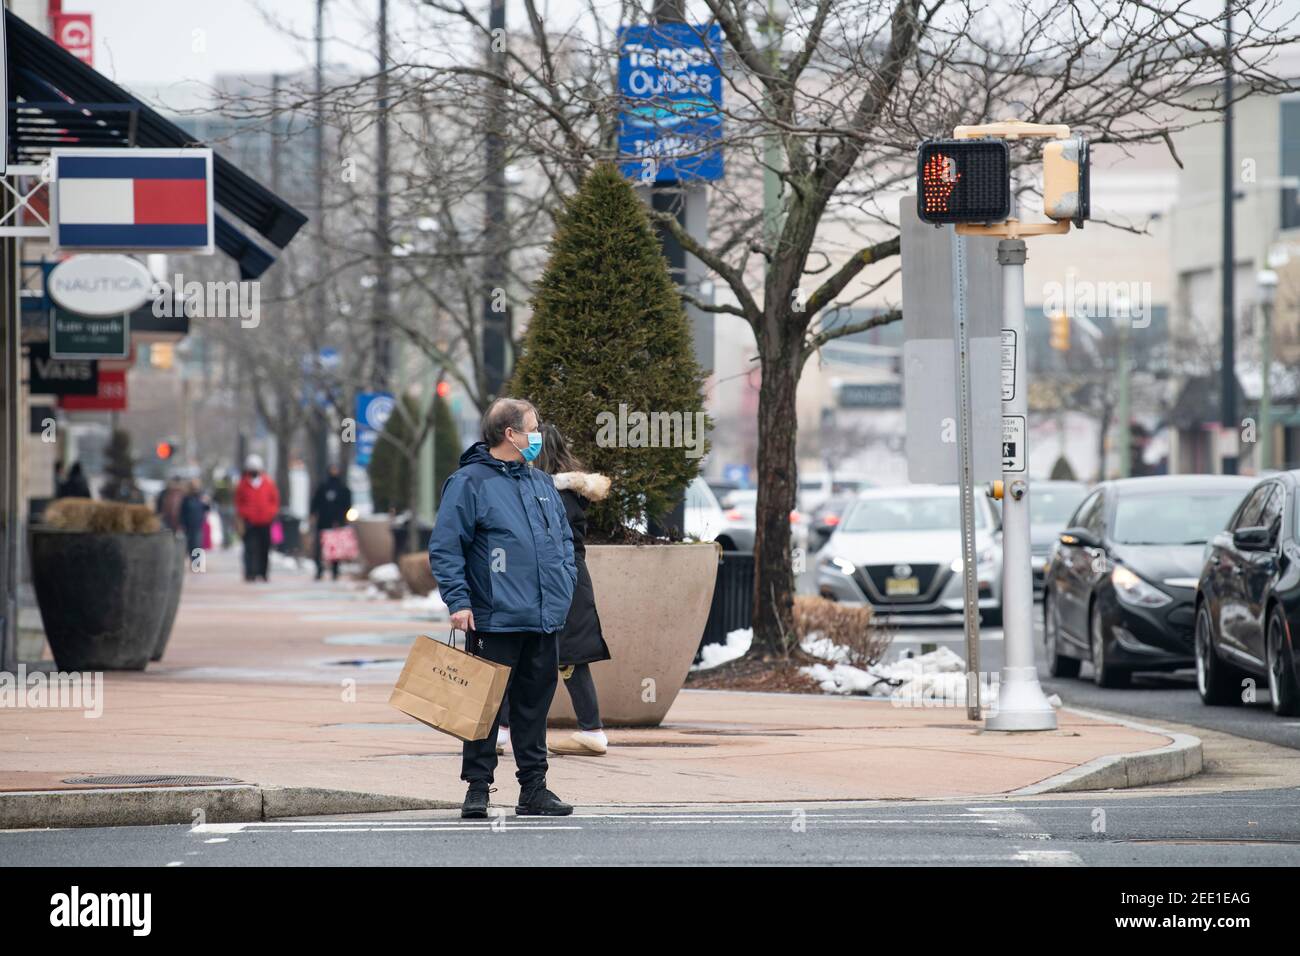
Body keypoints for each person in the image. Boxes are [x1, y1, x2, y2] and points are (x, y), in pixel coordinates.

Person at [428, 398, 577, 820]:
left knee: (534, 705)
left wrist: (564, 585)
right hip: (494, 618)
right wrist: (459, 601)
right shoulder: (468, 482)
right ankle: (478, 788)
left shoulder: (541, 483)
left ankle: (534, 789)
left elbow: (564, 543)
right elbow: (445, 546)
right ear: (509, 434)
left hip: (543, 617)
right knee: (483, 706)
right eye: (533, 427)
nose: (539, 435)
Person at [498, 424, 612, 757]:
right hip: (572, 581)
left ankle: (502, 730)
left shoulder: (545, 492)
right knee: (571, 658)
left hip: (549, 581)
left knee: (518, 652)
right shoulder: (571, 493)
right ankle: (592, 729)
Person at [235, 454, 280, 582]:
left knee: (264, 548)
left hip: (265, 521)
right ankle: (250, 573)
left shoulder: (268, 483)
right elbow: (239, 501)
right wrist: (245, 514)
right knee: (250, 548)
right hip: (250, 522)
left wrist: (271, 513)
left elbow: (274, 500)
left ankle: (263, 572)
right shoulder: (243, 484)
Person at [310, 463, 352, 581]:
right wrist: (313, 514)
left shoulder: (343, 488)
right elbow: (315, 502)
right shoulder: (323, 487)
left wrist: (342, 519)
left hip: (337, 523)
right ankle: (319, 570)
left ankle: (335, 571)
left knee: (335, 549)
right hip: (323, 522)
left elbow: (347, 505)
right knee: (320, 548)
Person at [179, 480, 209, 558]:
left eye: (196, 486)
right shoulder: (186, 498)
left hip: (198, 524)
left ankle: (197, 565)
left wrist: (206, 502)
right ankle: (193, 562)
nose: (195, 488)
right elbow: (182, 511)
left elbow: (207, 508)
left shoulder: (201, 496)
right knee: (190, 545)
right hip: (188, 525)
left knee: (197, 544)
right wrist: (182, 523)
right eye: (193, 486)